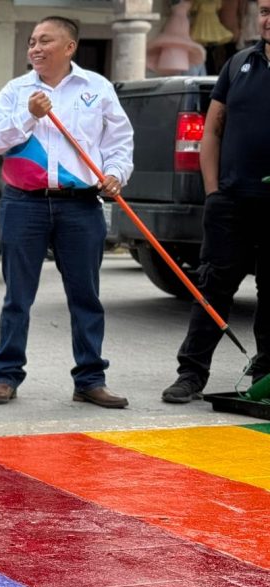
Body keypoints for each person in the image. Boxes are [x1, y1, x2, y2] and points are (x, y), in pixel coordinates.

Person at [0, 16, 134, 408]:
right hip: (24, 202)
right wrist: (29, 115)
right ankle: (5, 376)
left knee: (86, 296)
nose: (35, 48)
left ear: (69, 47)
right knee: (18, 296)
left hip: (80, 203)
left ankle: (90, 379)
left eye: (45, 41)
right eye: (32, 41)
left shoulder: (96, 88)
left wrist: (115, 174)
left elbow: (119, 141)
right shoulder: (17, 91)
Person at [162, 0, 270, 403]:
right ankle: (191, 373)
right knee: (212, 287)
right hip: (231, 201)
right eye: (264, 10)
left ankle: (264, 373)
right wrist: (213, 192)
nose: (268, 19)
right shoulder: (239, 63)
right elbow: (212, 131)